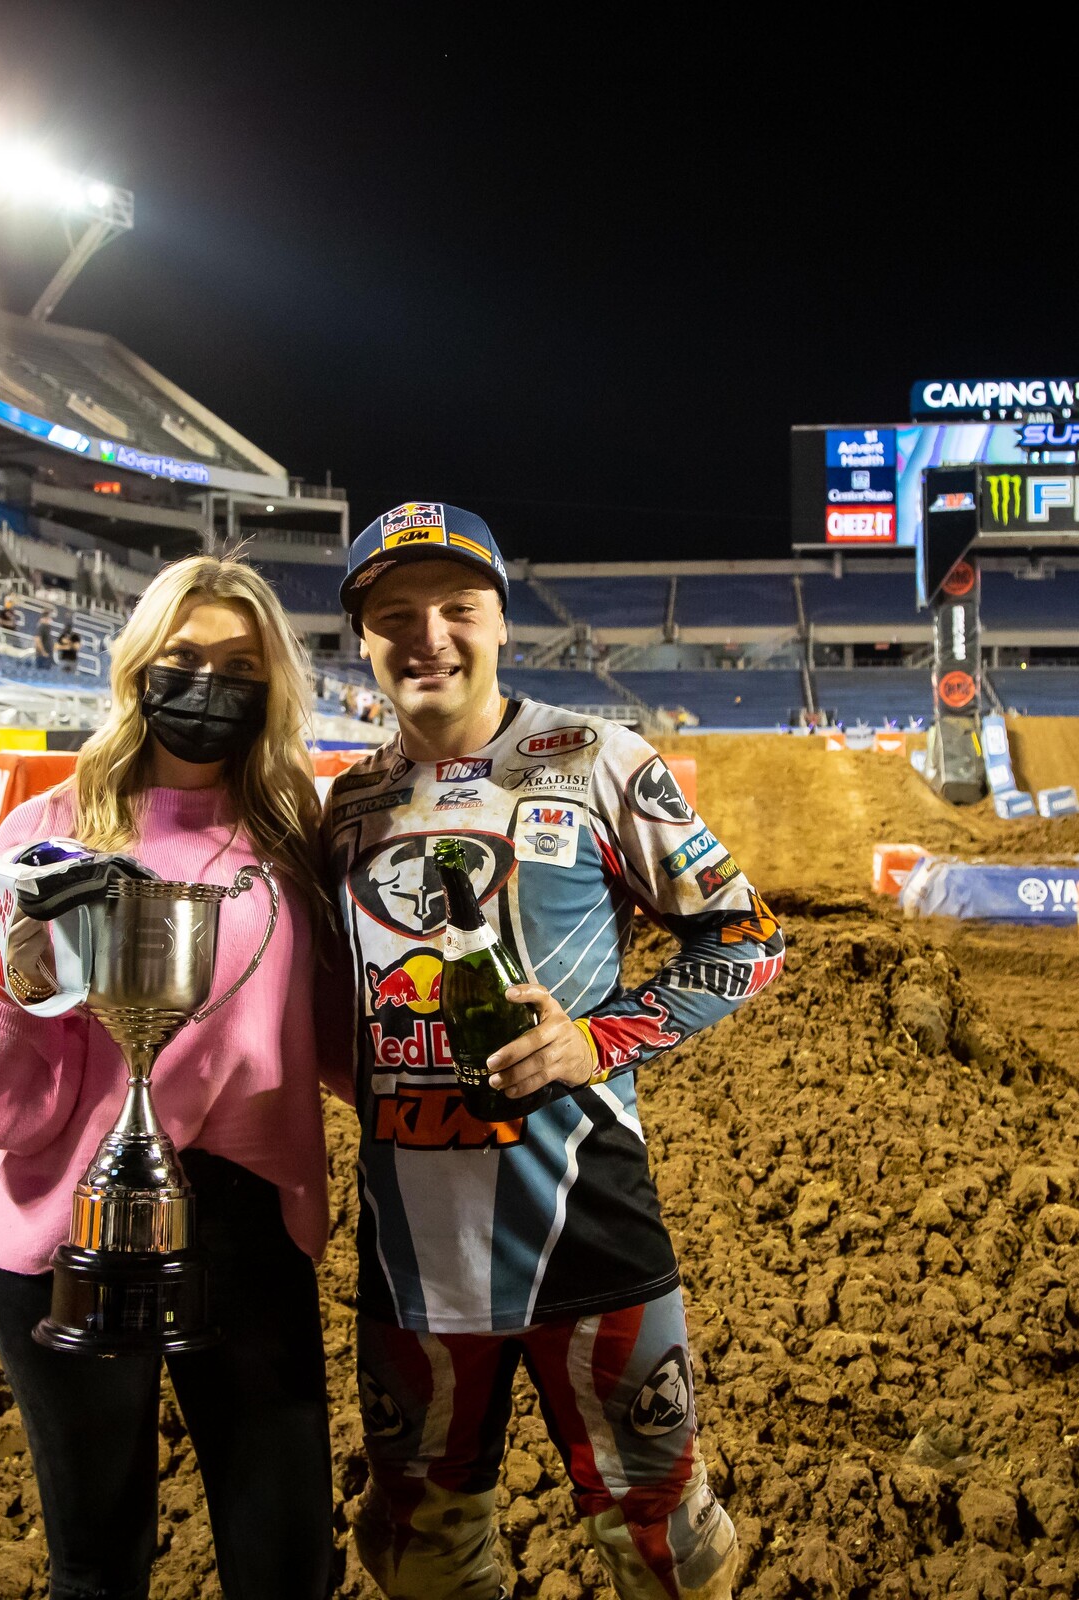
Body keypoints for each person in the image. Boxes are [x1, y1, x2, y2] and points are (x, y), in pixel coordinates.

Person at [325, 503, 782, 1600]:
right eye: (395, 616)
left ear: (500, 622)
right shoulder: (346, 807)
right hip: (411, 1256)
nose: (428, 636)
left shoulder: (597, 758)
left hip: (588, 1227)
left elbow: (750, 938)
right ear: (364, 639)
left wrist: (596, 1040)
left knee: (669, 1544)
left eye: (456, 608)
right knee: (419, 1552)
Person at [0, 556, 346, 1600]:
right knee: (98, 1565)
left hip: (251, 1228)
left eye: (240, 667)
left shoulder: (293, 835)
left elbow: (341, 1032)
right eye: (184, 658)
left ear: (274, 685)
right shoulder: (47, 833)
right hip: (70, 1229)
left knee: (288, 1560)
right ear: (139, 665)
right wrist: (16, 977)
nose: (209, 685)